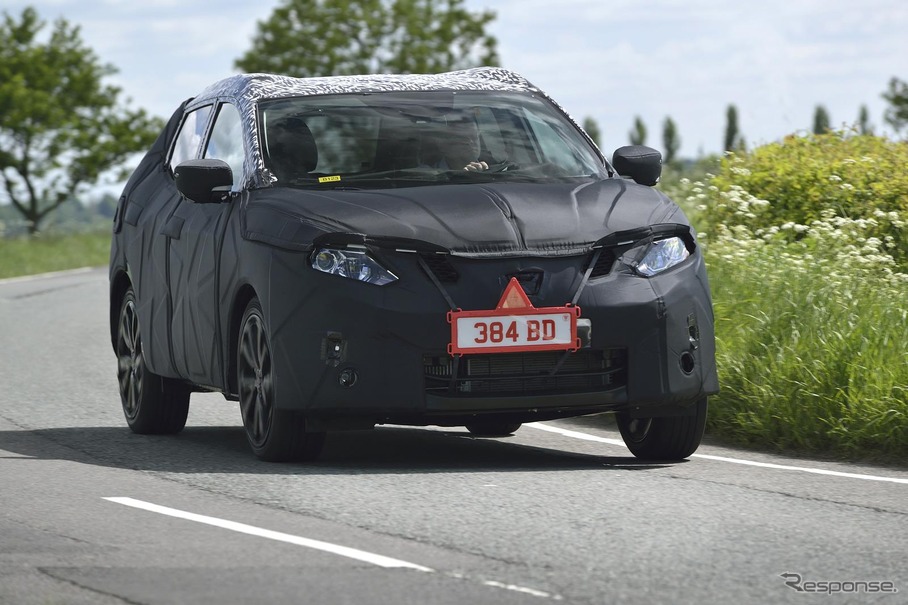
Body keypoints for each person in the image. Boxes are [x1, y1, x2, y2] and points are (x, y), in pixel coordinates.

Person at [420, 114, 488, 171]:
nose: (471, 142)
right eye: (463, 138)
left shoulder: (493, 171)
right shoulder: (427, 175)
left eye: (474, 136)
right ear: (443, 146)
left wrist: (484, 175)